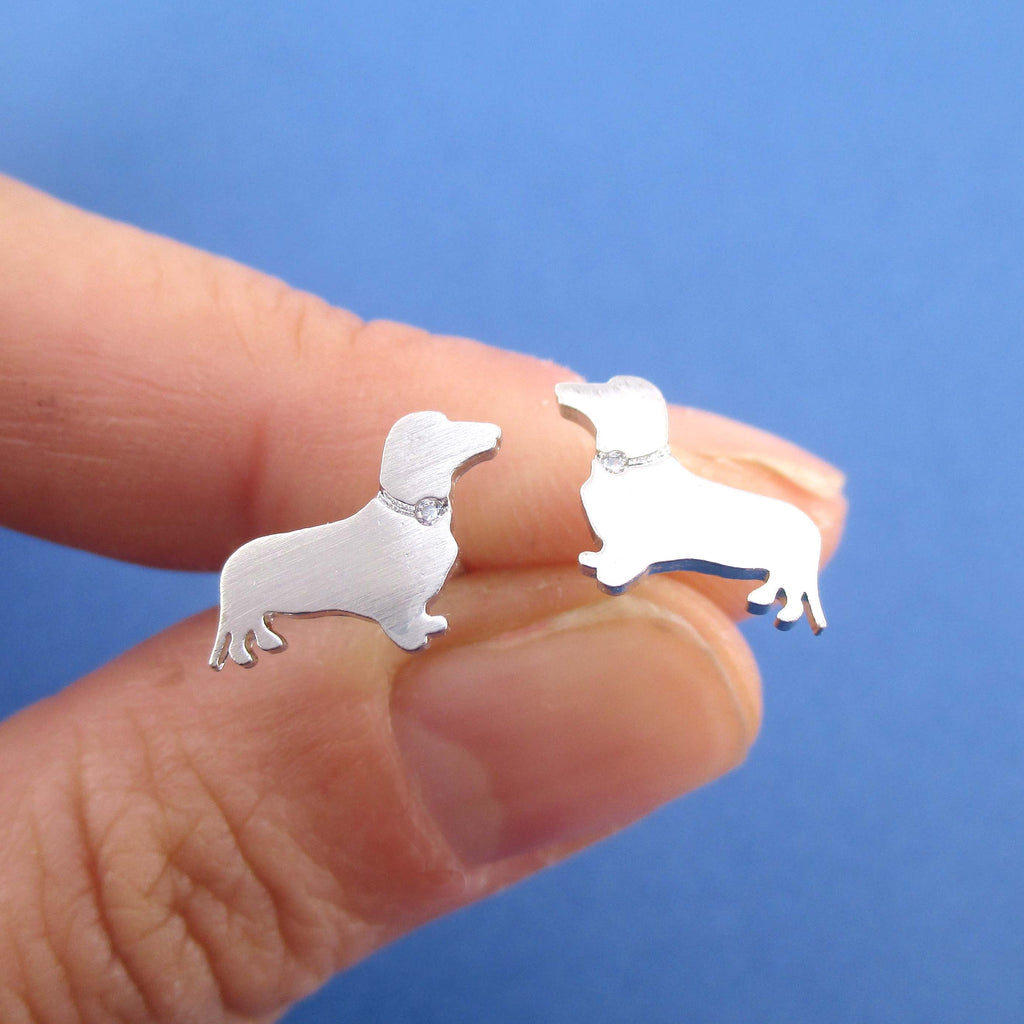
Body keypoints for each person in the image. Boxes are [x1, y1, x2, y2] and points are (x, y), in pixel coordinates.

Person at [0, 175, 846, 1022]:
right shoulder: (418, 528)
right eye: (445, 447)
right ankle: (251, 629)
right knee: (280, 585)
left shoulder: (459, 524)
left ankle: (766, 586)